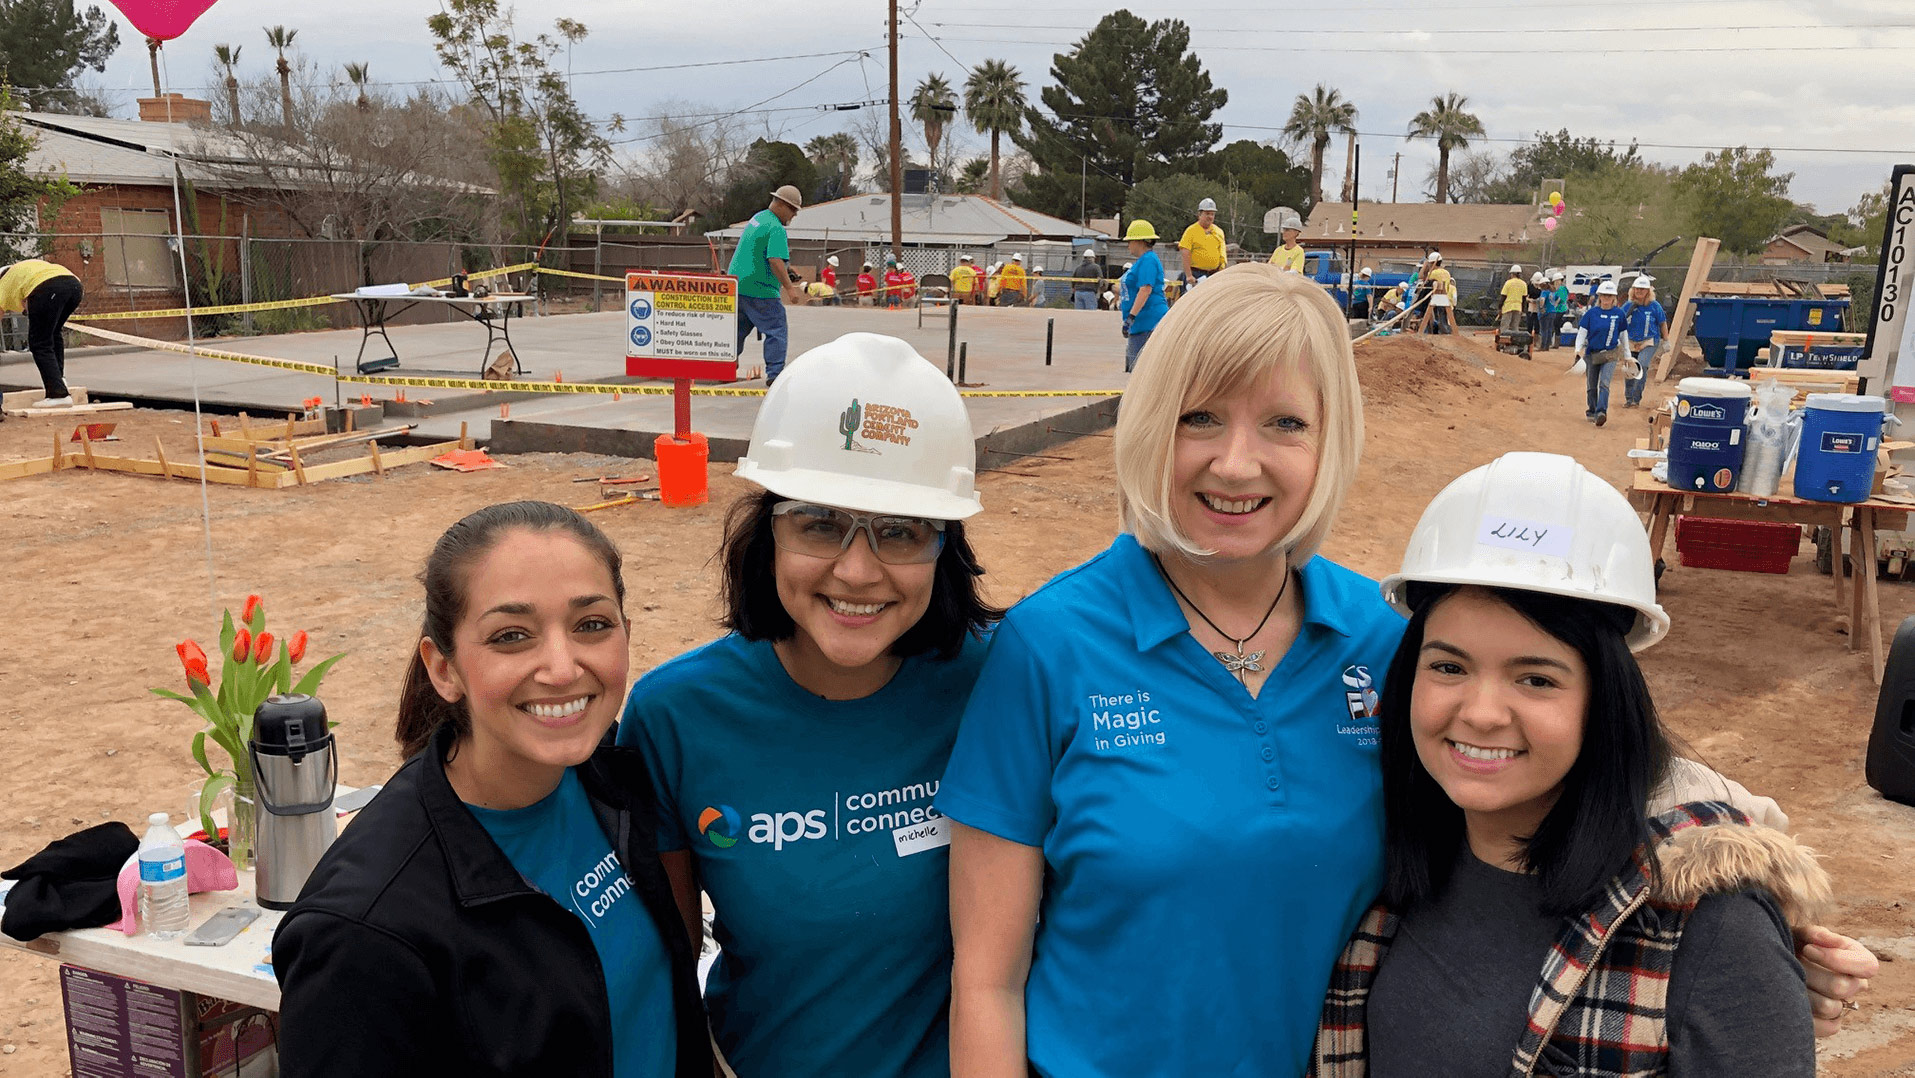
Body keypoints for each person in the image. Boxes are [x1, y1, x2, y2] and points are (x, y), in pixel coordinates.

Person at [937, 266, 1875, 1078]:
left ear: (1330, 440)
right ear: (1148, 425)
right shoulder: (1050, 646)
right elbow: (987, 980)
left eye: (1284, 423)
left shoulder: (1383, 638)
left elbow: (1581, 756)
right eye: (1199, 418)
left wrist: (1748, 919)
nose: (1236, 462)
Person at [1313, 452, 1827, 1076]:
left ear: (1604, 702)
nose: (1481, 714)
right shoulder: (1390, 864)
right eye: (1449, 667)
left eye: (1535, 679)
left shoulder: (1708, 929)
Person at [619, 333, 1002, 1078]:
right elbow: (663, 970)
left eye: (899, 532)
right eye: (820, 523)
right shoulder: (676, 717)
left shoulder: (1000, 683)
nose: (856, 571)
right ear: (768, 533)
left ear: (944, 546)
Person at [273, 501, 711, 1078]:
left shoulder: (615, 778)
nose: (562, 668)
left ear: (626, 633)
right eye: (511, 636)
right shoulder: (364, 932)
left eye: (591, 625)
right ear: (443, 668)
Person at [725, 185, 805, 385]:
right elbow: (774, 260)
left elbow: (759, 252)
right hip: (760, 289)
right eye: (793, 210)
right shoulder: (776, 228)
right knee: (776, 328)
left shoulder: (758, 219)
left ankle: (725, 368)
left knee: (737, 331)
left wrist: (788, 270)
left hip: (738, 286)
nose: (794, 215)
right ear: (782, 205)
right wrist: (790, 289)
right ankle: (775, 375)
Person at [1, 258, 84, 407]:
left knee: (39, 343)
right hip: (74, 286)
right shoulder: (21, 273)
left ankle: (58, 394)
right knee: (53, 333)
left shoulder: (3, 284)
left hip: (47, 288)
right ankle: (59, 381)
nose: (27, 312)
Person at [1575, 279, 1632, 426]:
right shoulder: (1591, 314)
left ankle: (1601, 412)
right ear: (1599, 296)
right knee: (1591, 385)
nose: (1606, 298)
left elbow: (1623, 335)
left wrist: (1627, 355)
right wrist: (1578, 349)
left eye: (1609, 295)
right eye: (1604, 295)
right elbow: (1582, 332)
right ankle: (1592, 410)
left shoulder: (1619, 314)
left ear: (1614, 297)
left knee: (1605, 383)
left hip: (1611, 353)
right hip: (1592, 353)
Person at [1118, 220, 1167, 373]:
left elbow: (1145, 289)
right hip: (1140, 324)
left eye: (1130, 241)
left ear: (1139, 241)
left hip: (1148, 322)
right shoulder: (1142, 261)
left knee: (1142, 372)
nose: (1128, 245)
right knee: (1138, 370)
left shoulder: (1148, 260)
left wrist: (1131, 317)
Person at [1622, 273, 1667, 408]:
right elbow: (1619, 320)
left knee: (1642, 365)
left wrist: (1666, 340)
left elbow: (1662, 323)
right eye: (1637, 289)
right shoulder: (1628, 305)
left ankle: (1636, 398)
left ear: (1648, 291)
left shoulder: (1655, 306)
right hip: (1631, 341)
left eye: (1642, 289)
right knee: (1630, 368)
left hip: (1649, 341)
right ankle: (1629, 398)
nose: (1639, 291)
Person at [1178, 197, 1229, 287]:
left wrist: (1222, 270)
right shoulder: (1191, 231)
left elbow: (1222, 253)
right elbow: (1185, 252)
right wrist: (1189, 275)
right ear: (1200, 214)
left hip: (1214, 274)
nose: (1210, 217)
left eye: (1212, 214)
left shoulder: (1218, 231)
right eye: (1207, 213)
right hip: (1196, 275)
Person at [1420, 252, 1454, 335]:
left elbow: (1421, 277)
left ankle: (1443, 334)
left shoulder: (1434, 273)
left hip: (1437, 298)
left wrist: (1424, 266)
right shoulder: (1447, 272)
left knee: (1438, 319)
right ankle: (1446, 333)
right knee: (1443, 320)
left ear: (1432, 263)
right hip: (1446, 299)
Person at [1269, 207, 1306, 272]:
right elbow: (1269, 267)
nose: (1284, 232)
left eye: (1287, 230)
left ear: (1296, 233)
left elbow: (1294, 272)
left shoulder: (1299, 251)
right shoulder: (1278, 250)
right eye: (1284, 230)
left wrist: (1278, 270)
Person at [1541, 270, 1570, 351]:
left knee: (1555, 324)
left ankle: (1555, 343)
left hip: (1560, 309)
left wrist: (1555, 304)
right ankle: (1553, 342)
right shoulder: (1555, 289)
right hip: (1556, 309)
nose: (1556, 282)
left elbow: (1561, 299)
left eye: (1558, 280)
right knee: (1554, 325)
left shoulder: (1562, 288)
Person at [1498, 265, 1527, 335]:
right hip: (1518, 307)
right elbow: (1524, 298)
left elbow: (1503, 296)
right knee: (1515, 327)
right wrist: (1523, 310)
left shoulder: (1508, 283)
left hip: (1508, 307)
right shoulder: (1523, 284)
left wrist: (1499, 307)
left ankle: (1504, 340)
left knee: (1505, 327)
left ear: (1512, 274)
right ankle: (1515, 340)